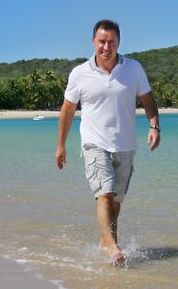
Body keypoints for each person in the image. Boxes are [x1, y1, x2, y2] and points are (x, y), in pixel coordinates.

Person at [55, 19, 160, 266]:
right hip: (94, 143)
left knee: (116, 201)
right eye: (101, 41)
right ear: (93, 42)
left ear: (118, 43)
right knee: (105, 193)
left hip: (125, 145)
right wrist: (61, 145)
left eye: (111, 42)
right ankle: (114, 248)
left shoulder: (133, 69)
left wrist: (154, 126)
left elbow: (148, 99)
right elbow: (67, 110)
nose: (106, 47)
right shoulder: (80, 73)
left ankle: (105, 242)